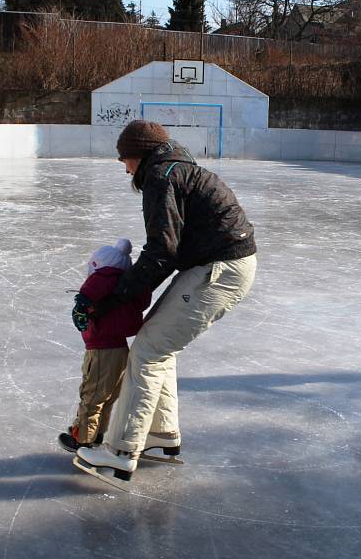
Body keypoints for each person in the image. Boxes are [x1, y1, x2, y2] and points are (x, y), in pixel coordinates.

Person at [71, 120, 257, 483]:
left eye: (124, 160)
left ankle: (119, 453)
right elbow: (167, 250)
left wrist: (118, 294)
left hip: (221, 268)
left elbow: (162, 250)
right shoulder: (176, 169)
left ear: (138, 155)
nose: (124, 168)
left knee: (149, 350)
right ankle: (160, 435)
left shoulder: (161, 177)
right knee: (157, 342)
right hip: (217, 264)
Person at [60, 238, 151, 453]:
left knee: (92, 395)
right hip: (120, 348)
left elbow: (97, 283)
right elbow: (142, 302)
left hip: (102, 350)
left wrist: (81, 303)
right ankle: (97, 433)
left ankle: (82, 438)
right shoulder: (124, 286)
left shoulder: (106, 278)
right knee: (107, 396)